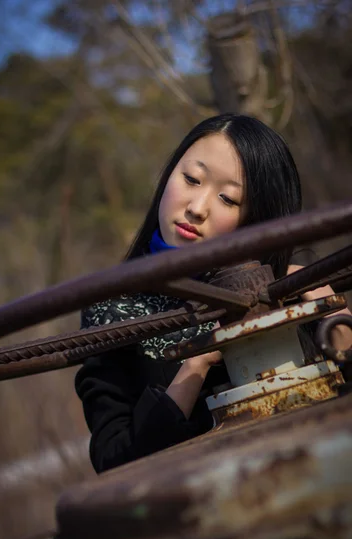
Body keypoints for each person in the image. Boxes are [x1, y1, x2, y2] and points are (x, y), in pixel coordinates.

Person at [75, 113, 351, 474]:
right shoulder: (110, 309)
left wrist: (335, 322)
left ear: (254, 218)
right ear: (168, 174)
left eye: (228, 198)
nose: (197, 208)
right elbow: (113, 461)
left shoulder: (289, 293)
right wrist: (196, 365)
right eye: (191, 179)